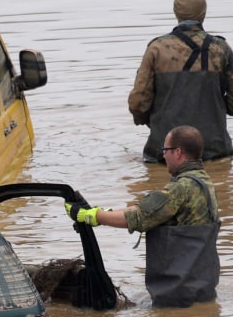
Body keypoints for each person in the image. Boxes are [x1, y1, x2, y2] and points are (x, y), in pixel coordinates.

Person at [66, 125, 221, 307]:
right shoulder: (205, 182)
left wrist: (92, 217)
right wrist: (102, 213)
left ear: (178, 152)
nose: (163, 155)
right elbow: (144, 209)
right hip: (203, 287)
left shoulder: (181, 188)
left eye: (166, 150)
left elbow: (138, 217)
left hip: (177, 294)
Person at [128, 0, 233, 163]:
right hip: (214, 150)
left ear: (176, 13)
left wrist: (148, 120)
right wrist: (219, 110)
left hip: (165, 153)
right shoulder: (220, 49)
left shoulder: (156, 49)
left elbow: (138, 102)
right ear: (204, 14)